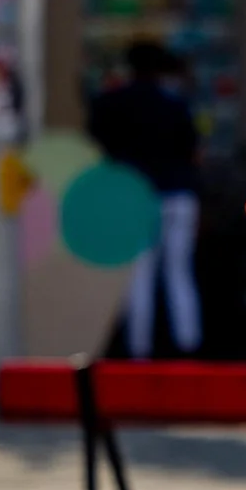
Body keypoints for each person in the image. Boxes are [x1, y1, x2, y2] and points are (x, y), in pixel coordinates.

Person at [89, 41, 204, 358]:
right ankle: (188, 346)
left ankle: (139, 351)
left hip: (135, 194)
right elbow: (193, 152)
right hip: (178, 195)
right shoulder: (175, 103)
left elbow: (99, 143)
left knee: (139, 275)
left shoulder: (113, 101)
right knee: (179, 271)